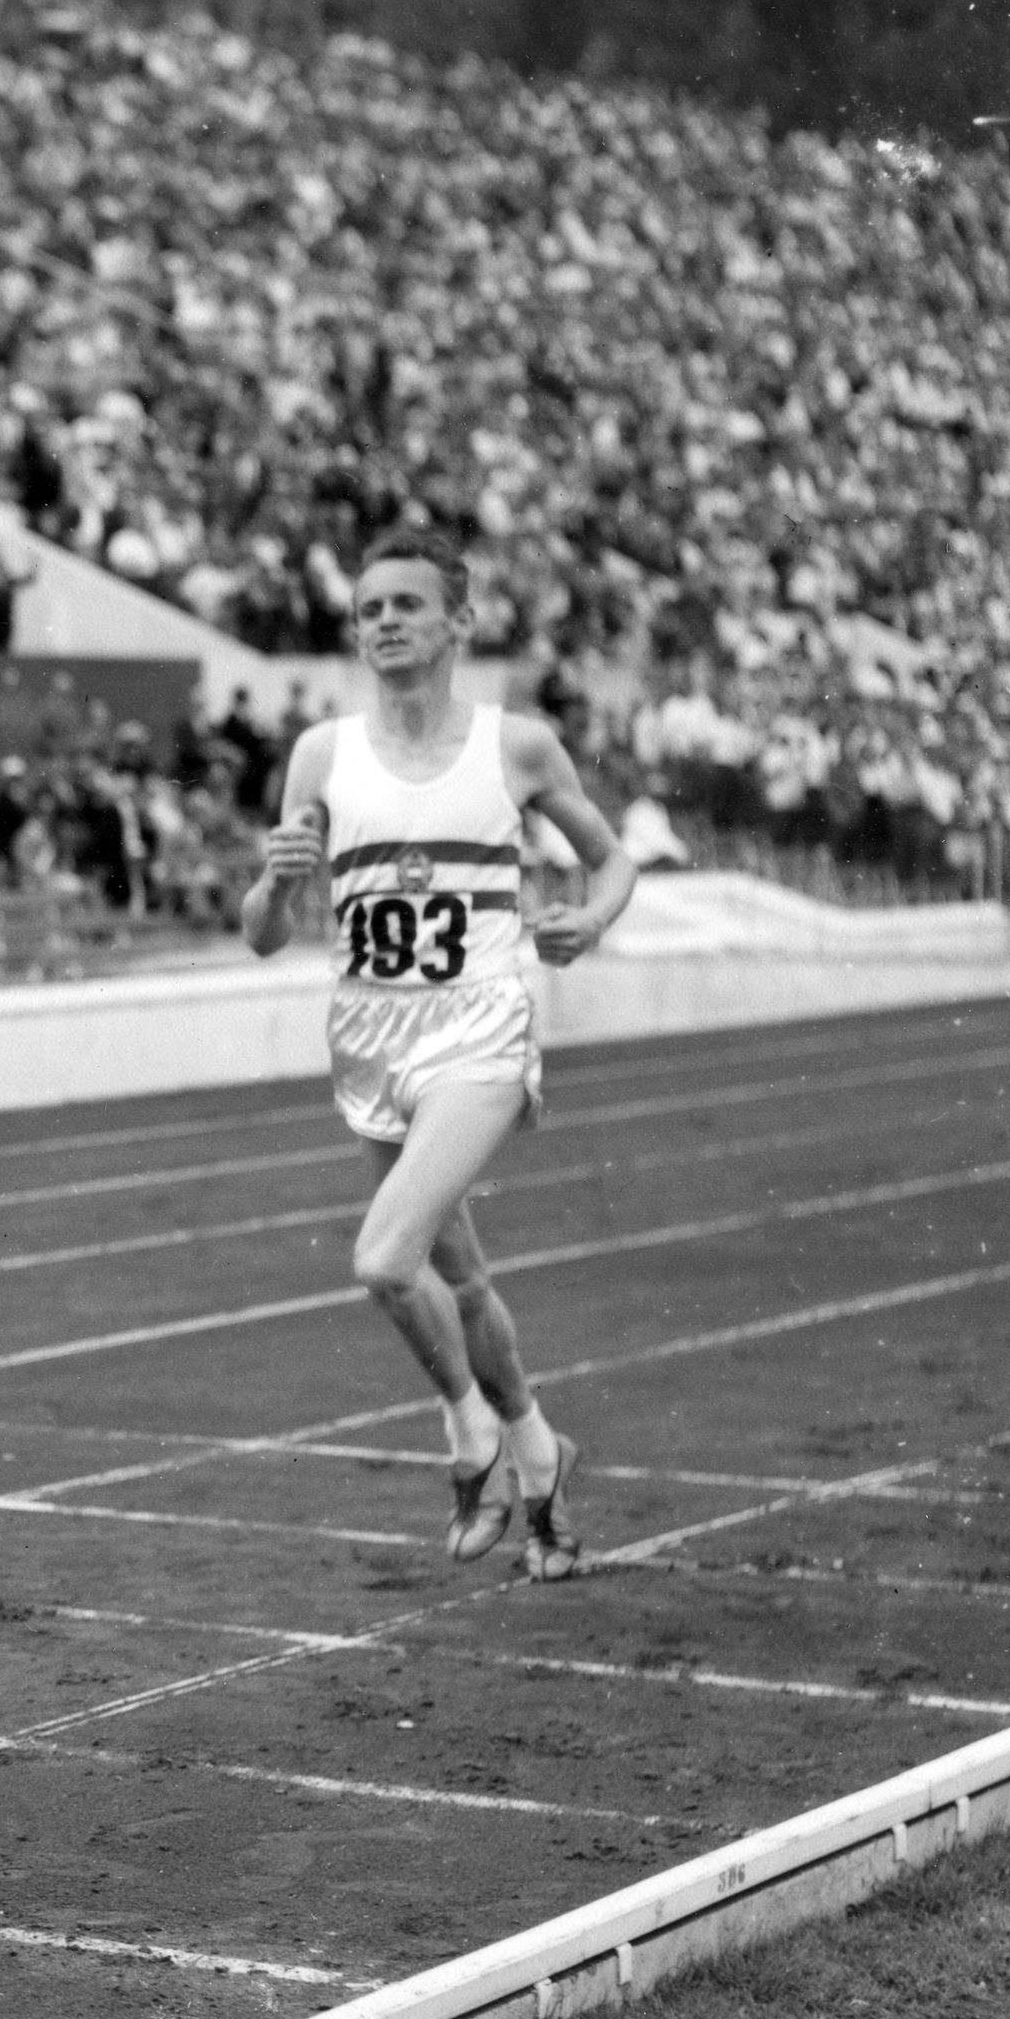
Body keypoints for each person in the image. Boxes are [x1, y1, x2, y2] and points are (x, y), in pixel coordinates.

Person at [240, 551, 638, 1583]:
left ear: (459, 620)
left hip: (480, 1033)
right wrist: (278, 891)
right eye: (368, 609)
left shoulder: (517, 747)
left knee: (383, 1260)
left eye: (407, 605)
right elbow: (261, 934)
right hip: (371, 1041)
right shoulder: (322, 754)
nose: (383, 623)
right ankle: (541, 1454)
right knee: (459, 1278)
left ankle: (470, 1436)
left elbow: (614, 856)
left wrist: (586, 922)